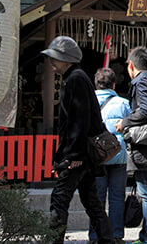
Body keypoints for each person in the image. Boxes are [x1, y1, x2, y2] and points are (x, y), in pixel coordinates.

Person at [41, 36, 115, 244]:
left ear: (66, 59)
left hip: (77, 154)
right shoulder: (77, 78)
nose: (52, 62)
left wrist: (72, 156)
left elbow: (78, 121)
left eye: (54, 58)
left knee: (60, 199)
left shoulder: (75, 79)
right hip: (83, 154)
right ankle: (107, 240)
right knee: (91, 202)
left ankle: (54, 240)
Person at [115, 46, 147, 244]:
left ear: (131, 65)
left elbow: (145, 111)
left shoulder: (142, 82)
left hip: (145, 145)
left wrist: (124, 122)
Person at [90, 67, 132, 244]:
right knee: (116, 196)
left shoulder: (88, 101)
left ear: (96, 84)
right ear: (114, 84)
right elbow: (131, 126)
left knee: (96, 198)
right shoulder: (123, 103)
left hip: (96, 156)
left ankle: (95, 236)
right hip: (118, 154)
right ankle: (116, 235)